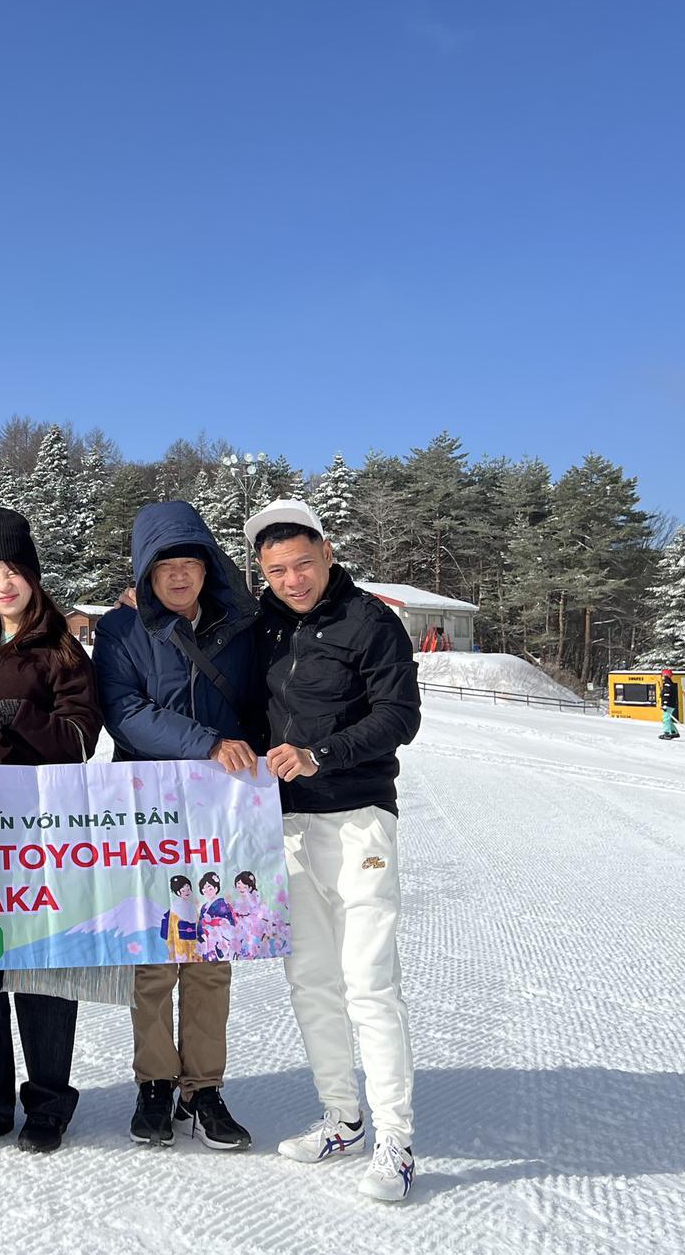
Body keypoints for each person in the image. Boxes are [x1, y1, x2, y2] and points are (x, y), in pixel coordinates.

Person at [247, 498, 423, 1203]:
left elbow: (400, 716)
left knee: (369, 981)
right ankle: (343, 1118)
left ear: (327, 551)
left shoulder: (370, 621)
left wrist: (321, 754)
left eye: (303, 564)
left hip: (358, 820)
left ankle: (395, 1141)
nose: (293, 580)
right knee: (311, 979)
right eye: (277, 570)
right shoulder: (262, 624)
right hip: (286, 825)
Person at [93, 499, 257, 1152]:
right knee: (158, 951)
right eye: (166, 565)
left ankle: (205, 1087)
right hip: (150, 805)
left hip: (222, 807)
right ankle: (156, 1082)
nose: (180, 574)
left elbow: (265, 699)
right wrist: (207, 743)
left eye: (191, 562)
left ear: (208, 566)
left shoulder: (241, 624)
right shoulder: (120, 630)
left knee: (213, 949)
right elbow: (123, 711)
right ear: (145, 571)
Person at [0, 507, 103, 1155]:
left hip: (41, 833)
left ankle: (48, 1103)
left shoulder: (61, 651)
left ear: (33, 577)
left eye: (13, 571)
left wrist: (16, 714)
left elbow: (80, 740)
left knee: (40, 967)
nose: (2, 584)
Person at [659, 669, 683, 740]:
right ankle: (674, 732)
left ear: (665, 675)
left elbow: (666, 695)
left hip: (668, 705)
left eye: (662, 675)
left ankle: (667, 733)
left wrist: (665, 704)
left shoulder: (667, 684)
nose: (662, 676)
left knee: (665, 719)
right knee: (668, 718)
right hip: (671, 704)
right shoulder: (670, 683)